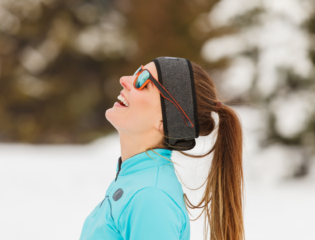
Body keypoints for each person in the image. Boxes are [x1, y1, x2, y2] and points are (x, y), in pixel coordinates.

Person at [79, 57, 245, 240]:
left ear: (166, 122)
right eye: (136, 72)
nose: (124, 80)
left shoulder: (151, 196)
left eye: (143, 82)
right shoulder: (134, 178)